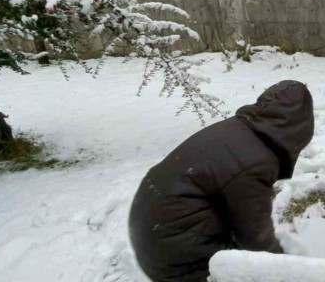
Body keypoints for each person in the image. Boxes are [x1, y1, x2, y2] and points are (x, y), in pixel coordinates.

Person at [128, 80, 314, 282]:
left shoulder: (238, 130)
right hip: (174, 257)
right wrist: (285, 271)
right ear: (300, 129)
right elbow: (256, 241)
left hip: (152, 231)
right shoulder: (255, 163)